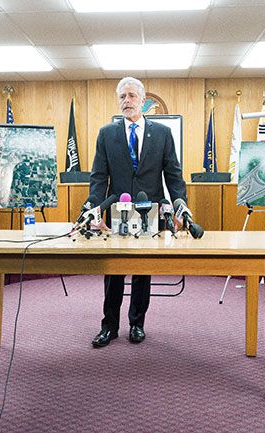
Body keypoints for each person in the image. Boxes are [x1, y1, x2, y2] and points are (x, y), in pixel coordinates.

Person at [88, 77, 187, 348]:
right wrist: (94, 210)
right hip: (116, 212)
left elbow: (173, 176)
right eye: (122, 96)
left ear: (143, 101)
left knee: (142, 270)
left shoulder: (163, 134)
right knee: (113, 271)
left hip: (149, 210)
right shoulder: (107, 134)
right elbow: (99, 177)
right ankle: (109, 326)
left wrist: (180, 206)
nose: (126, 101)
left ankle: (137, 324)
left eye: (131, 96)